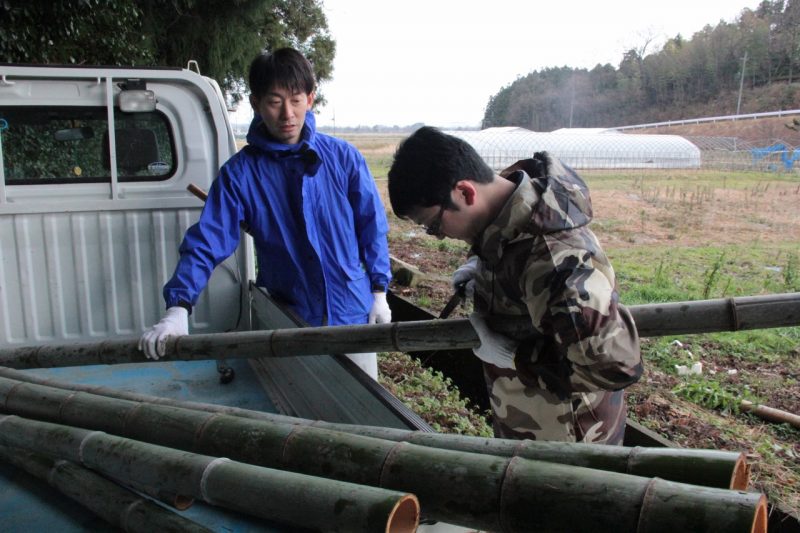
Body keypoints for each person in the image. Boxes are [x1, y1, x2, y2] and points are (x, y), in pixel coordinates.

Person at [139, 47, 392, 380]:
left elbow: (371, 227)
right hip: (292, 320)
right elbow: (208, 239)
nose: (287, 114)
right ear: (256, 103)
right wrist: (178, 307)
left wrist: (378, 290)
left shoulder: (343, 158)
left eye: (296, 100)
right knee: (301, 412)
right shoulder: (240, 174)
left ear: (311, 98)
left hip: (354, 312)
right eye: (275, 102)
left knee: (361, 411)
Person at [387, 126, 642, 444]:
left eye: (434, 225)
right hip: (530, 421)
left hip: (568, 441)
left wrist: (514, 356)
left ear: (466, 192)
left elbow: (613, 367)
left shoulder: (554, 258)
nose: (438, 236)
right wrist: (485, 271)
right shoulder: (505, 215)